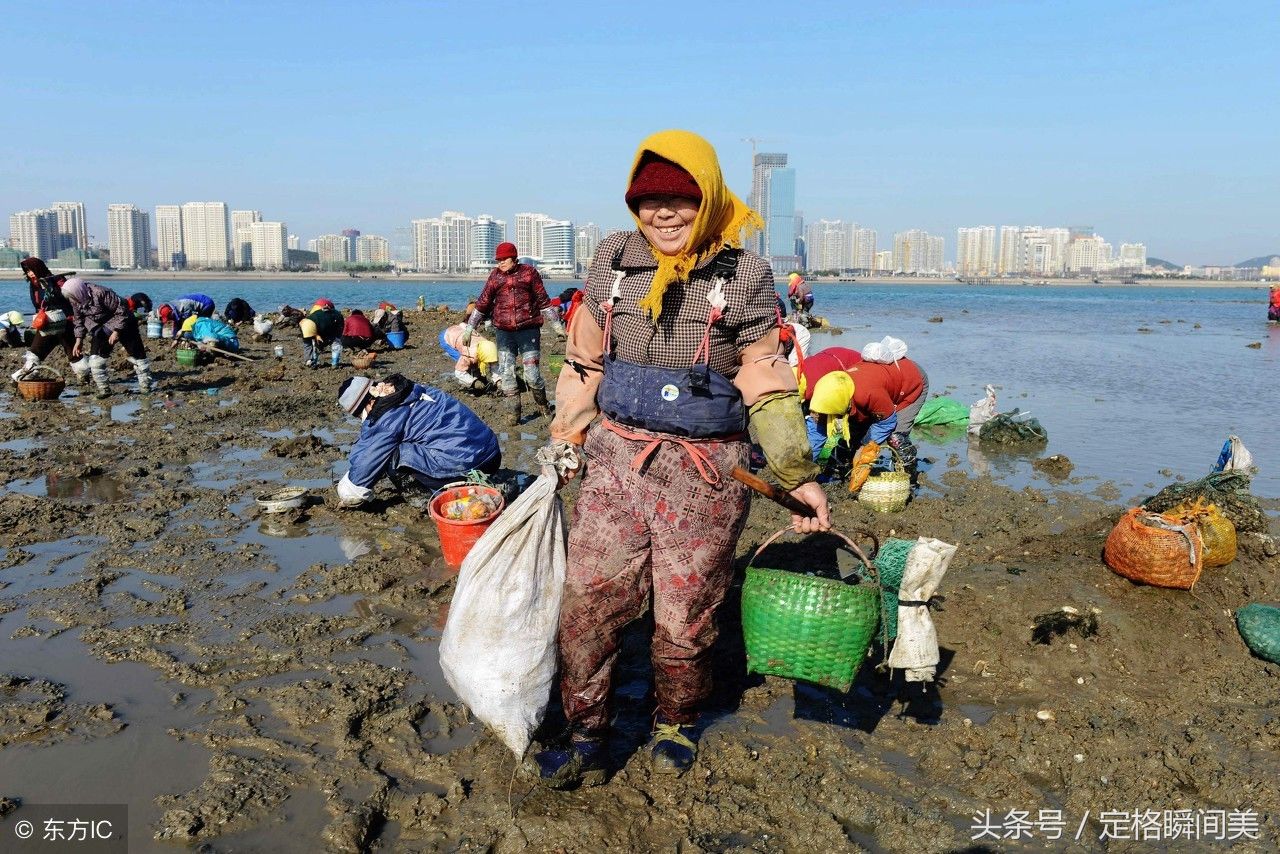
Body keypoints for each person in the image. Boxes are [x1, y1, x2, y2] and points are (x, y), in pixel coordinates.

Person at [536, 130, 829, 788]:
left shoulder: (742, 272)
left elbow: (763, 369)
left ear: (709, 196)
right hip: (616, 458)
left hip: (706, 473)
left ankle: (677, 719)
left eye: (681, 199)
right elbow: (585, 360)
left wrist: (797, 475)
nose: (664, 213)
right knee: (586, 602)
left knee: (684, 616)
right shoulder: (612, 259)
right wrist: (566, 438)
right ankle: (586, 729)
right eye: (648, 200)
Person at [334, 374, 501, 507]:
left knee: (392, 455)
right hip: (490, 453)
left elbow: (367, 463)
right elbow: (367, 442)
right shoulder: (410, 390)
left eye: (358, 415)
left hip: (468, 463)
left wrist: (348, 490)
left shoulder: (387, 418)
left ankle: (427, 501)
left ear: (368, 404)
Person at [463, 242, 564, 424]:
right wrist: (470, 327)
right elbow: (483, 303)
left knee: (532, 375)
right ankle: (513, 415)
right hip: (504, 333)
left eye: (504, 259)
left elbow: (544, 301)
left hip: (528, 331)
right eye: (498, 260)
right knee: (507, 375)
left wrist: (557, 327)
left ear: (514, 259)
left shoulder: (529, 273)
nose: (501, 262)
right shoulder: (495, 277)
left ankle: (543, 407)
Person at [803, 346, 929, 476]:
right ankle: (848, 470)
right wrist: (804, 466)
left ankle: (908, 478)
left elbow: (887, 422)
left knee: (896, 438)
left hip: (910, 381)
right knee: (852, 432)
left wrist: (865, 449)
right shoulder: (828, 392)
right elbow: (817, 432)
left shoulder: (867, 393)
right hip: (881, 383)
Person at [59, 276, 155, 397]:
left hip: (124, 321)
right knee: (95, 360)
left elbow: (122, 310)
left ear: (79, 291)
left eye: (74, 297)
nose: (74, 301)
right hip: (102, 327)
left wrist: (116, 331)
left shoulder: (100, 292)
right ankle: (104, 389)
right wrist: (79, 341)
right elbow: (78, 321)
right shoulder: (76, 300)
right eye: (72, 299)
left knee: (138, 356)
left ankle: (145, 386)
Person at [12, 258, 88, 383]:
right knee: (35, 352)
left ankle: (84, 379)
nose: (30, 273)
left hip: (66, 323)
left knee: (73, 353)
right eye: (27, 271)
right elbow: (38, 305)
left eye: (31, 270)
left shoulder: (58, 280)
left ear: (39, 269)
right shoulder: (34, 285)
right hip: (47, 323)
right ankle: (21, 378)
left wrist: (50, 288)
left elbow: (69, 298)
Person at [441, 322, 498, 391]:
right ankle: (468, 383)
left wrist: (498, 380)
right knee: (464, 363)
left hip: (460, 331)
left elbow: (494, 365)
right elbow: (459, 372)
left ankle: (478, 377)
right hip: (447, 337)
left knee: (475, 362)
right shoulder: (469, 354)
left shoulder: (487, 346)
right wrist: (473, 382)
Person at [301, 299, 344, 368]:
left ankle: (312, 361)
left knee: (311, 344)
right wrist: (338, 336)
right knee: (336, 344)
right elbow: (340, 327)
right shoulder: (337, 314)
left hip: (311, 328)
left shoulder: (313, 315)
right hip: (328, 332)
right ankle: (334, 363)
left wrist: (316, 335)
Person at [177, 315, 241, 353]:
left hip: (232, 342)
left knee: (211, 341)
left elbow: (211, 338)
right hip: (224, 340)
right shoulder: (197, 326)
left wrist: (204, 348)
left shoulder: (202, 325)